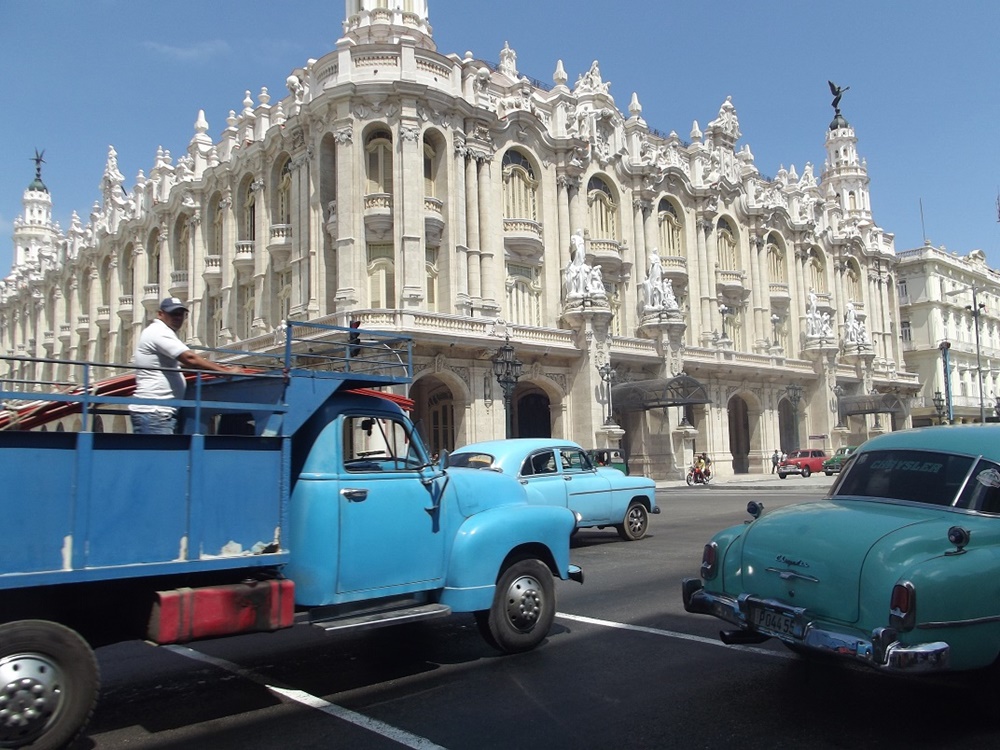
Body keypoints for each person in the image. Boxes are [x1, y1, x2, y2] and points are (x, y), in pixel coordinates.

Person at [130, 297, 238, 435]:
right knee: (160, 455)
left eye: (181, 314)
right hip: (154, 412)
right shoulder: (159, 331)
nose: (178, 317)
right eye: (173, 313)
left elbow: (181, 362)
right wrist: (226, 372)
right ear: (160, 314)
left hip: (158, 412)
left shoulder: (160, 332)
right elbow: (189, 358)